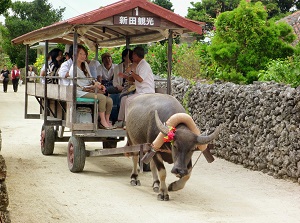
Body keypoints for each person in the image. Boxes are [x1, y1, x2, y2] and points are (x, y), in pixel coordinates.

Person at [69, 45, 114, 129]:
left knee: (110, 100)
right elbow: (81, 86)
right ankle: (102, 121)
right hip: (80, 92)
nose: (83, 56)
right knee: (101, 98)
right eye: (80, 54)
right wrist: (93, 87)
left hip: (89, 90)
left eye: (84, 54)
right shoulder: (73, 69)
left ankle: (107, 121)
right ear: (74, 55)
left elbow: (90, 78)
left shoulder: (85, 64)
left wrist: (98, 85)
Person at [115, 46, 155, 128]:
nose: (132, 57)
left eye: (133, 55)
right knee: (124, 99)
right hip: (140, 92)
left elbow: (140, 79)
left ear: (136, 55)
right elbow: (134, 79)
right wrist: (125, 76)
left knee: (128, 100)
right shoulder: (139, 65)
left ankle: (127, 123)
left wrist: (131, 72)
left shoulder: (144, 65)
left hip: (146, 92)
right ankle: (120, 121)